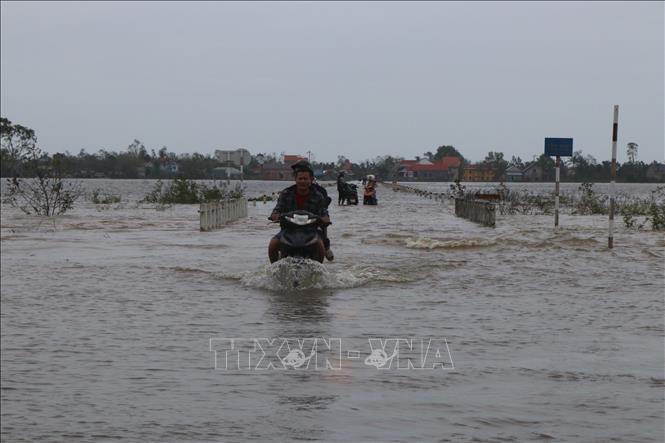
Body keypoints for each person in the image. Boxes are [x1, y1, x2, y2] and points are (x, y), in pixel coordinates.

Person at [268, 160, 333, 263]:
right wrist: (275, 216)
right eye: (300, 178)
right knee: (273, 244)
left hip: (311, 231)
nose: (303, 181)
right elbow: (277, 209)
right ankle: (274, 270)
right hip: (289, 230)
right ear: (295, 179)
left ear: (311, 179)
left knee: (320, 245)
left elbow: (324, 212)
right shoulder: (286, 193)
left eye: (305, 179)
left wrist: (325, 219)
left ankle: (319, 271)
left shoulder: (318, 195)